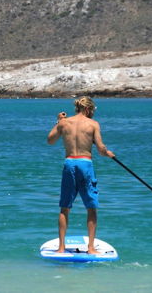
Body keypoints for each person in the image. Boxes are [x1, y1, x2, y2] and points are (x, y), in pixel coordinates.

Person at [47, 96, 115, 254]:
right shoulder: (93, 124)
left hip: (69, 163)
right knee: (91, 208)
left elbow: (50, 140)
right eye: (92, 110)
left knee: (65, 208)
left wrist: (58, 121)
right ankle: (91, 248)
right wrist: (108, 153)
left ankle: (61, 247)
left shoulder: (64, 123)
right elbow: (100, 149)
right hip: (85, 164)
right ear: (87, 109)